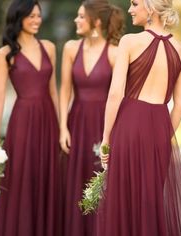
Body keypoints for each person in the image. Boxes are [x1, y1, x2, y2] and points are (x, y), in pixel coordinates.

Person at [99, 0, 181, 235]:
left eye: (135, 3)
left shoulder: (129, 42)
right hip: (159, 128)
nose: (130, 9)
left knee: (123, 202)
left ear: (151, 8)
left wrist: (106, 137)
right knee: (149, 202)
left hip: (130, 125)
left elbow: (115, 94)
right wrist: (165, 136)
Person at [0, 1, 60, 235]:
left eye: (38, 16)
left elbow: (53, 91)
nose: (36, 21)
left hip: (48, 120)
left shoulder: (49, 47)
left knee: (47, 177)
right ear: (18, 17)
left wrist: (62, 128)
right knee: (22, 179)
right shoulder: (4, 53)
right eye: (31, 16)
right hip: (22, 122)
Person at [59, 0, 124, 235]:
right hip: (76, 122)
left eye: (81, 16)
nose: (76, 20)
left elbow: (119, 96)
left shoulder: (115, 53)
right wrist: (62, 128)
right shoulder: (69, 48)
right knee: (75, 182)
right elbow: (64, 90)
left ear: (96, 21)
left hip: (102, 124)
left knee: (100, 182)